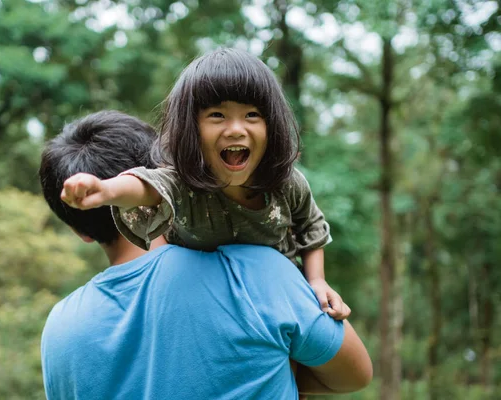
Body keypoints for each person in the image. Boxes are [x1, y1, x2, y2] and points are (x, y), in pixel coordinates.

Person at [39, 110, 372, 399]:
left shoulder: (58, 329)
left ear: (78, 230)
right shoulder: (256, 272)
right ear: (168, 177)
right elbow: (356, 374)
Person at [60, 48, 349, 319]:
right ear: (190, 130)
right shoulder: (183, 185)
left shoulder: (287, 184)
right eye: (217, 116)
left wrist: (317, 281)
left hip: (278, 304)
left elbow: (311, 227)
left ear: (271, 124)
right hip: (208, 307)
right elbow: (145, 188)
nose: (236, 129)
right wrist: (106, 190)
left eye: (252, 115)